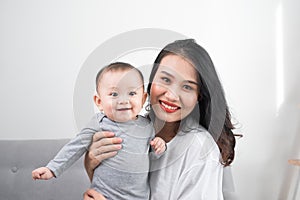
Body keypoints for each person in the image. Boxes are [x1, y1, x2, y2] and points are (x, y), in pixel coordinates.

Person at [84, 39, 237, 200]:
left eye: (187, 87)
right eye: (165, 80)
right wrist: (90, 165)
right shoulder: (130, 129)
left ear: (198, 96)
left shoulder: (200, 150)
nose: (171, 95)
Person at [32, 62, 166, 200]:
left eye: (132, 93)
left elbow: (152, 158)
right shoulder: (99, 123)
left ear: (143, 99)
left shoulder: (147, 126)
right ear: (99, 101)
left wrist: (160, 146)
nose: (123, 100)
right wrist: (52, 169)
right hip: (103, 195)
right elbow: (75, 147)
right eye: (114, 94)